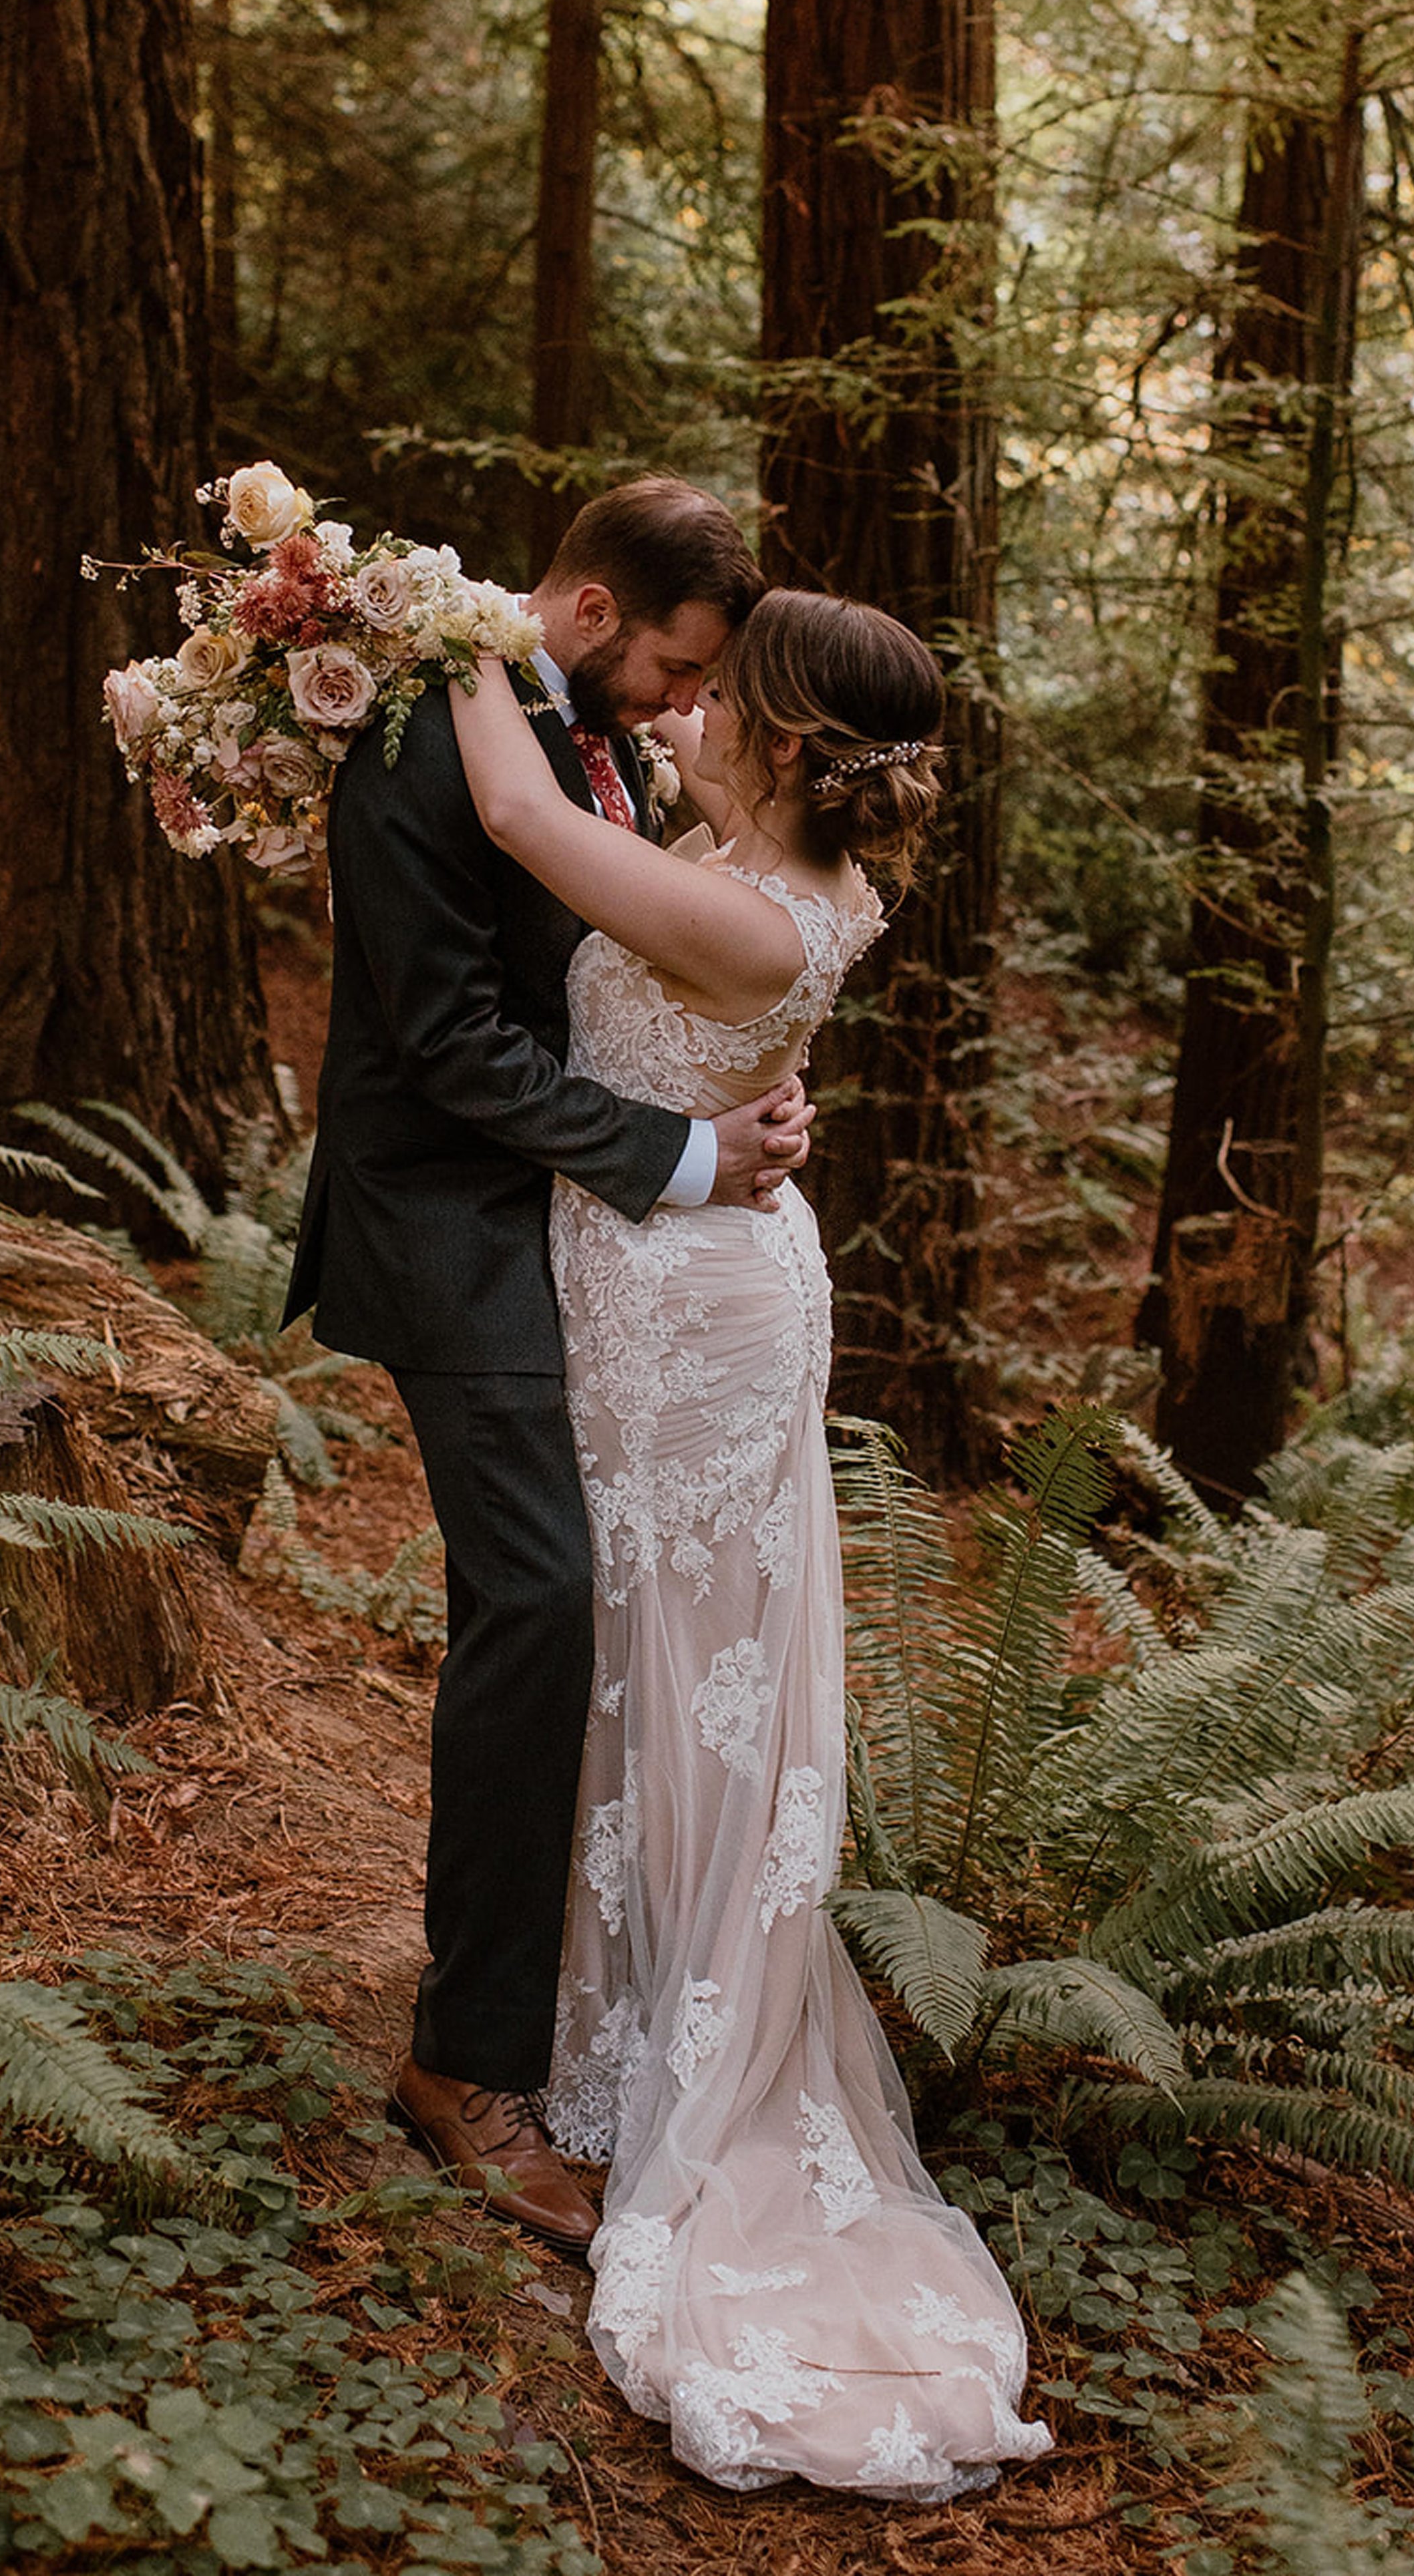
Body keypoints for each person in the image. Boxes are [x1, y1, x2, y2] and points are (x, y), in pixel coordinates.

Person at [446, 588, 1051, 2499]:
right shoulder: (760, 870)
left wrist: (445, 633)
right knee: (642, 1644)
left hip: (687, 1308)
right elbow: (651, 925)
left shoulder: (743, 900)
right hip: (682, 1268)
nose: (687, 707)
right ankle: (600, 2002)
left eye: (725, 697)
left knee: (674, 1653)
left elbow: (537, 832)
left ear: (786, 741)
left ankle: (667, 2046)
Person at [281, 478, 812, 2261]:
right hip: (447, 1217)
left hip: (582, 1224)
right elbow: (442, 1048)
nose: (679, 709)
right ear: (586, 608)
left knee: (618, 1601)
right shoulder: (426, 737)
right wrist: (677, 1161)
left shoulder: (577, 731)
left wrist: (725, 1098)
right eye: (669, 666)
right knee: (543, 1595)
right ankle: (467, 2064)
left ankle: (612, 1994)